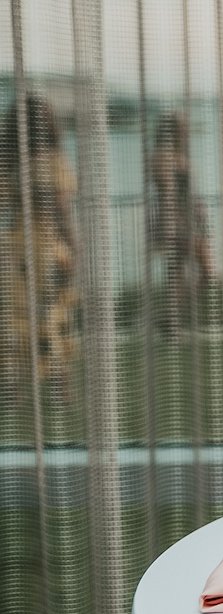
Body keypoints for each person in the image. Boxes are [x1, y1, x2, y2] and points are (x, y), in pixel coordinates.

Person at [0, 95, 79, 396]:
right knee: (51, 313)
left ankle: (14, 384)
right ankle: (60, 384)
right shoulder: (54, 161)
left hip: (17, 247)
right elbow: (62, 210)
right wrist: (74, 247)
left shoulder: (10, 163)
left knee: (16, 316)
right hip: (48, 247)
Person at [148, 113, 213, 339]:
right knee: (203, 270)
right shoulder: (162, 157)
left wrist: (199, 211)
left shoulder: (178, 155)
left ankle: (170, 319)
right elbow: (167, 192)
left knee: (178, 273)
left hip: (189, 222)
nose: (185, 133)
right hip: (177, 223)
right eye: (182, 129)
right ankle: (170, 319)